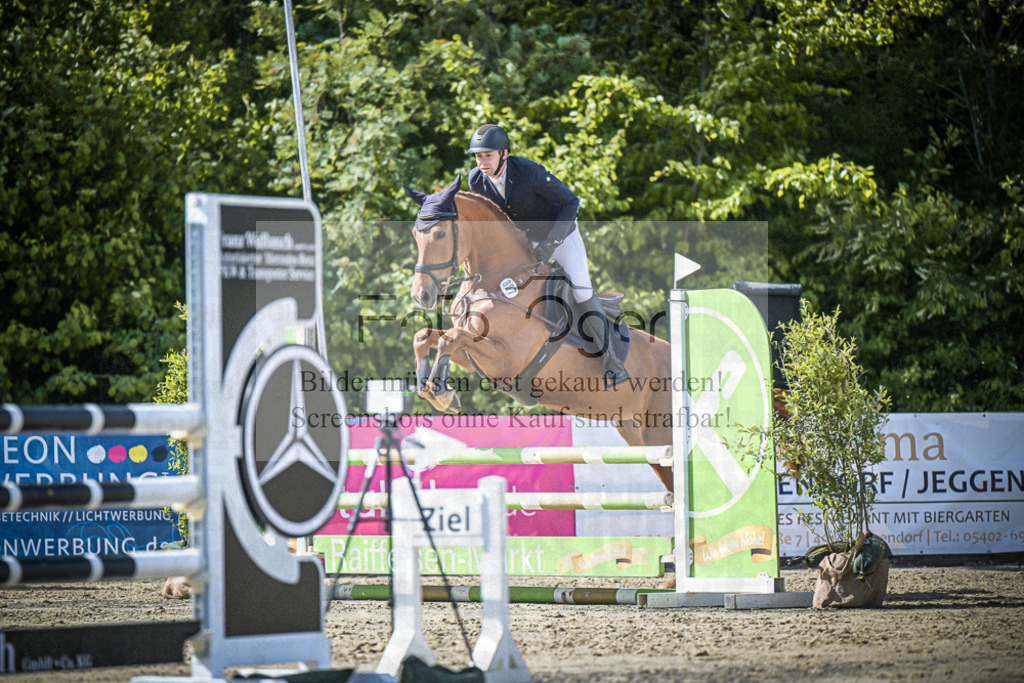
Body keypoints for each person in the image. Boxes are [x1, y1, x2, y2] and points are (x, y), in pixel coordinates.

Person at [465, 123, 629, 388]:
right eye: (478, 156)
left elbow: (571, 202)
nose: (482, 162)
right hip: (524, 242)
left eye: (488, 155)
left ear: (504, 154)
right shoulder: (475, 180)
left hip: (559, 235)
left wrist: (552, 242)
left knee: (582, 290)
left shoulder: (529, 172)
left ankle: (611, 361)